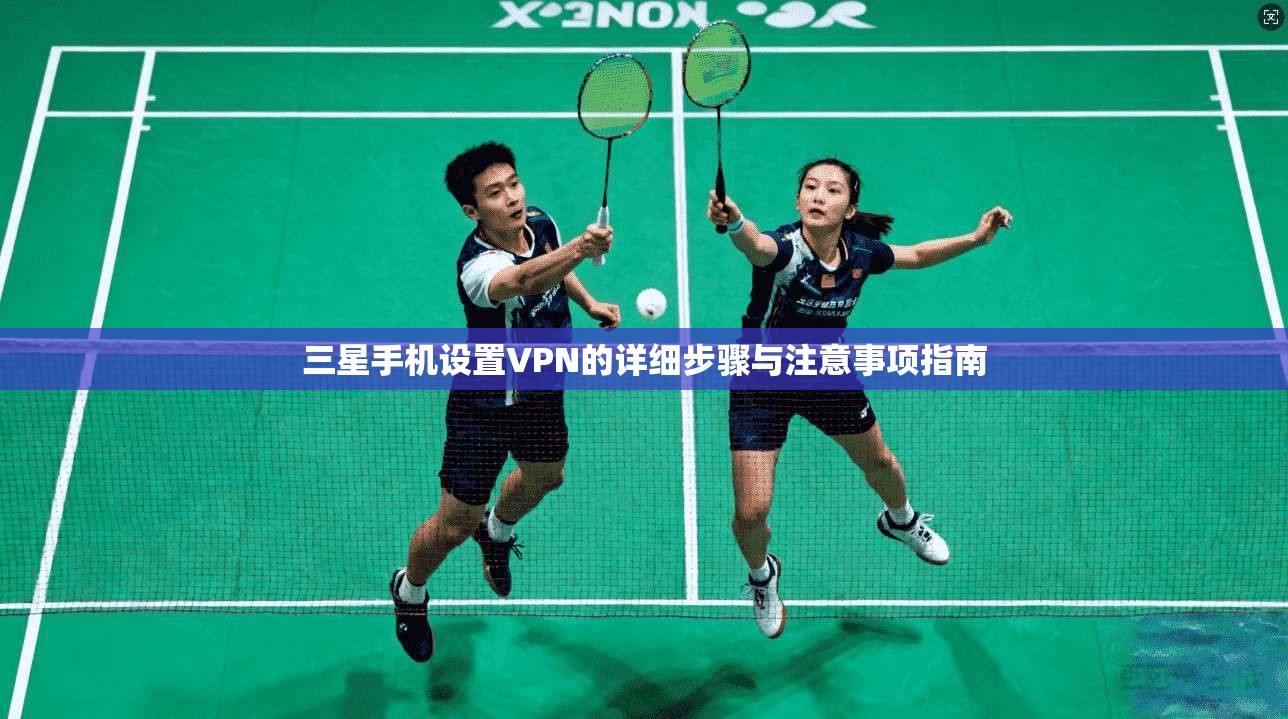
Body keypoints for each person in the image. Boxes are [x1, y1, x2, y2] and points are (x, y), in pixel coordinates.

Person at [706, 157, 1013, 639]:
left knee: (881, 463)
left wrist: (975, 239)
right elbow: (756, 245)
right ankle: (763, 576)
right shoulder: (784, 250)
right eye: (810, 187)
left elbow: (915, 255)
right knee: (750, 514)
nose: (818, 196)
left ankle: (901, 521)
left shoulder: (861, 253)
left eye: (832, 190)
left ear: (849, 208)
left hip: (826, 374)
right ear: (797, 200)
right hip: (761, 380)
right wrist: (736, 221)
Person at [391, 141, 621, 662]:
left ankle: (495, 532)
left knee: (546, 476)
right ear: (471, 210)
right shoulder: (477, 267)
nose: (513, 198)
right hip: (486, 404)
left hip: (541, 392)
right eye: (495, 193)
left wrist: (588, 302)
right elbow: (523, 278)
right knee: (452, 527)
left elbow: (552, 265)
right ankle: (409, 592)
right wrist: (580, 249)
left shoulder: (539, 222)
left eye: (514, 184)